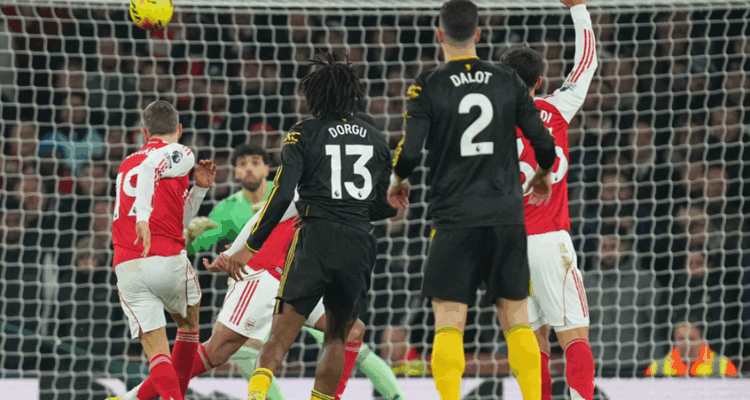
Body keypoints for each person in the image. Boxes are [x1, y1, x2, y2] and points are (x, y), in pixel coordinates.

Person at [118, 146, 406, 400]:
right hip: (262, 275)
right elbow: (258, 219)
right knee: (217, 352)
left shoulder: (345, 189)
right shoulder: (301, 186)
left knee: (353, 331)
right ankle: (133, 397)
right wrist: (227, 251)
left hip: (298, 281)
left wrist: (395, 186)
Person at [386, 1, 556, 398]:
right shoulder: (508, 79)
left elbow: (410, 153)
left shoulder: (427, 83)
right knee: (516, 319)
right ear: (479, 34)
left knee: (449, 323)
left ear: (439, 35)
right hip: (505, 216)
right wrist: (542, 174)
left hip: (454, 217)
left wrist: (398, 181)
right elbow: (543, 144)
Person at [220, 52, 396, 400]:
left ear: (315, 96)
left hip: (316, 238)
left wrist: (250, 246)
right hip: (358, 243)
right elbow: (381, 206)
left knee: (280, 333)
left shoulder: (303, 133)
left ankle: (257, 395)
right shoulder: (376, 138)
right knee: (337, 337)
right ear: (352, 94)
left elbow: (282, 194)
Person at [501, 1, 598, 399]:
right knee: (574, 335)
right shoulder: (555, 108)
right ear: (539, 81)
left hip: (506, 244)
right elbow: (587, 65)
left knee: (531, 342)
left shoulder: (490, 122)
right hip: (548, 238)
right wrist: (579, 9)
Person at [108, 100, 216, 400]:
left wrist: (199, 190)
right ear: (179, 130)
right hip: (166, 256)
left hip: (127, 265)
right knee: (189, 325)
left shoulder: (126, 164)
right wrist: (143, 218)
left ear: (144, 133)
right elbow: (151, 166)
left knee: (158, 353)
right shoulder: (181, 152)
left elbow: (177, 219)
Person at [645, 315, 738, 377]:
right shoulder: (656, 368)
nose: (686, 343)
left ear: (703, 340)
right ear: (674, 341)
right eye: (681, 339)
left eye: (692, 339)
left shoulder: (723, 365)